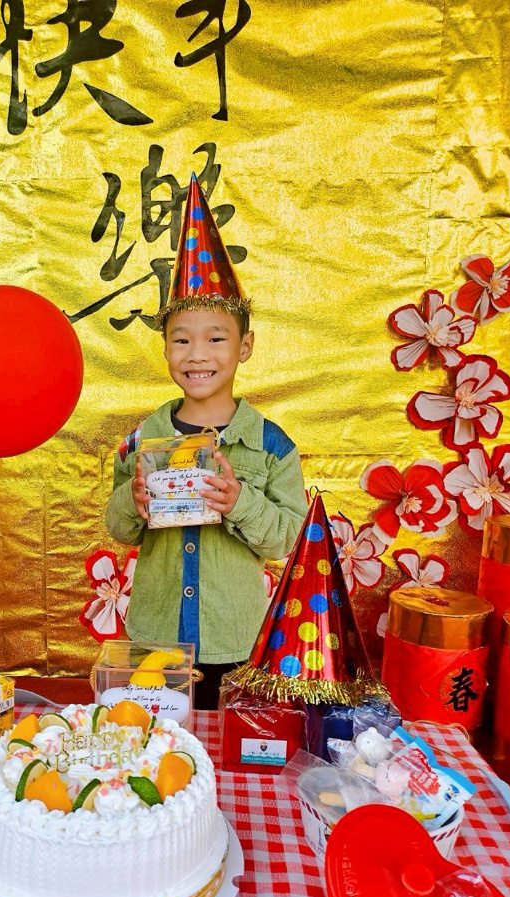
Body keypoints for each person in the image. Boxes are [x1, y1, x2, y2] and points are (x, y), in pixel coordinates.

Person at [105, 175, 307, 709]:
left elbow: (287, 541)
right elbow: (118, 528)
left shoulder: (271, 446)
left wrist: (239, 501)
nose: (197, 354)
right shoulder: (141, 440)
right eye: (181, 340)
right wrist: (134, 501)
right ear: (165, 348)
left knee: (226, 742)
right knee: (158, 742)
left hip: (234, 637)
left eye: (216, 338)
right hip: (155, 635)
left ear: (245, 346)